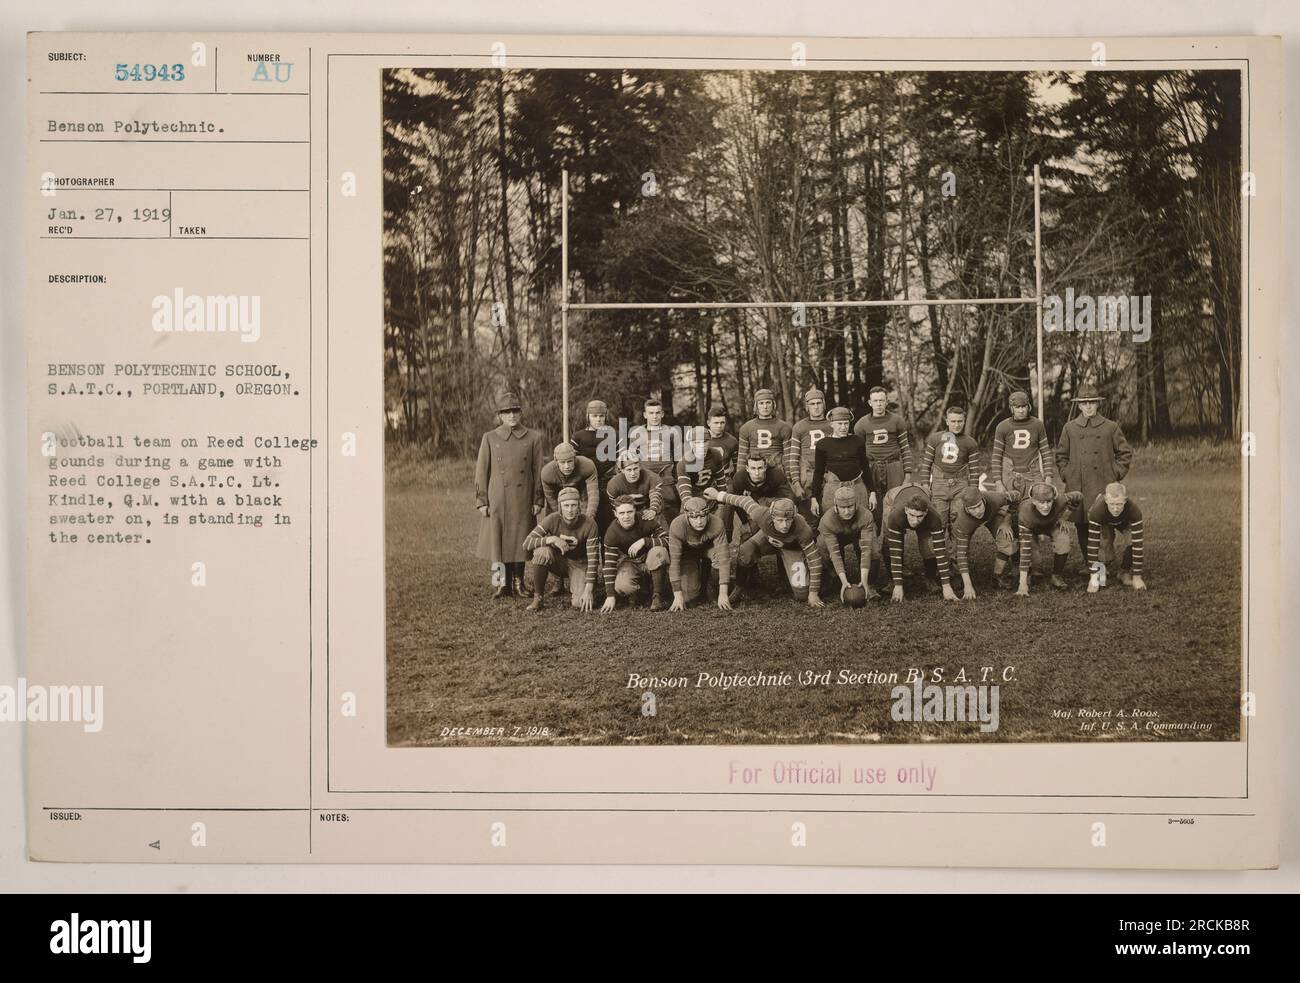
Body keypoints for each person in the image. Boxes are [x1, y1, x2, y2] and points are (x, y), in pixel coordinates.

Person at [474, 391, 545, 599]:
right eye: (506, 412)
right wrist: (481, 500)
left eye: (515, 411)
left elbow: (538, 470)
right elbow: (481, 471)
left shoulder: (534, 437)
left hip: (523, 498)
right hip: (498, 498)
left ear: (520, 413)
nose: (511, 415)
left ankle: (518, 583)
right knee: (498, 540)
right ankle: (500, 584)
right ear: (500, 415)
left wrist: (537, 499)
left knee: (521, 539)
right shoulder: (489, 437)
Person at [706, 488, 823, 607]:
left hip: (792, 547)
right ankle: (739, 587)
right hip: (767, 538)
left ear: (794, 517)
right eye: (780, 520)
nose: (784, 525)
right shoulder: (761, 514)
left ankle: (821, 578)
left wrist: (813, 593)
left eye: (788, 520)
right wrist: (718, 495)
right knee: (746, 551)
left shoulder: (803, 528)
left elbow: (815, 559)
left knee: (802, 595)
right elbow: (743, 500)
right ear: (772, 517)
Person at [1056, 384, 1133, 553]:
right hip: (1079, 484)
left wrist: (1115, 473)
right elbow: (1061, 455)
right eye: (1084, 403)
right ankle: (1089, 564)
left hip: (1103, 483)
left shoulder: (1110, 427)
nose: (1088, 406)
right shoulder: (1070, 428)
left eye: (1092, 402)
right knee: (1082, 525)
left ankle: (1104, 559)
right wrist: (1067, 474)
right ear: (1079, 405)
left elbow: (1125, 452)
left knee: (1104, 524)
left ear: (1098, 404)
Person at [521, 487, 601, 612]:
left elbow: (593, 559)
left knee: (580, 603)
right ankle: (538, 598)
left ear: (579, 506)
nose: (570, 510)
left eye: (574, 505)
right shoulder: (552, 519)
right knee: (542, 551)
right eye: (566, 505)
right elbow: (527, 543)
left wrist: (588, 590)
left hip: (580, 563)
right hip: (560, 560)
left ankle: (589, 584)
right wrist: (551, 539)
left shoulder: (589, 524)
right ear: (560, 506)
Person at [881, 486, 956, 602]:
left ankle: (930, 578)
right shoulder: (895, 516)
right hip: (894, 495)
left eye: (919, 516)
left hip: (923, 491)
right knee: (888, 542)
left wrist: (946, 586)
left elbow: (940, 550)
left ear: (926, 512)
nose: (915, 521)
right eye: (912, 515)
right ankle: (892, 581)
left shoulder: (934, 517)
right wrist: (898, 585)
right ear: (906, 510)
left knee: (929, 547)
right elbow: (895, 550)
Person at [917, 405, 981, 533]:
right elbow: (926, 464)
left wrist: (972, 491)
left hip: (960, 484)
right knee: (939, 520)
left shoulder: (970, 442)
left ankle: (957, 551)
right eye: (953, 421)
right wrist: (925, 484)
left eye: (959, 421)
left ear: (964, 421)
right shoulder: (935, 438)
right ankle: (940, 551)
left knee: (959, 520)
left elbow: (974, 470)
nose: (956, 425)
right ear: (947, 421)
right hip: (939, 484)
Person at [601, 496, 671, 612]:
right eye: (622, 513)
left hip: (649, 557)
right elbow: (609, 564)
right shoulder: (612, 532)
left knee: (659, 552)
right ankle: (642, 589)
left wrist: (645, 541)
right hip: (630, 561)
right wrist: (610, 596)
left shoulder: (645, 520)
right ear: (615, 513)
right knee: (622, 587)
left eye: (629, 512)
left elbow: (668, 540)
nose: (626, 516)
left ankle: (658, 595)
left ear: (635, 511)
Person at [1014, 481, 1085, 595]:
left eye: (1049, 501)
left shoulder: (1061, 500)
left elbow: (1078, 496)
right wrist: (1022, 584)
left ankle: (1056, 575)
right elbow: (1025, 549)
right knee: (1034, 556)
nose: (1046, 506)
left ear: (1054, 499)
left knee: (1064, 540)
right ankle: (1030, 573)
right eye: (1041, 502)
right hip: (1031, 527)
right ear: (1033, 501)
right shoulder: (1025, 513)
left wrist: (1063, 518)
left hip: (1051, 524)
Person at [666, 496, 734, 611]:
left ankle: (712, 586)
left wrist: (723, 593)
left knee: (718, 556)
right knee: (689, 596)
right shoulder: (677, 525)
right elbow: (674, 562)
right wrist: (677, 595)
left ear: (708, 515)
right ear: (687, 517)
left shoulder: (717, 523)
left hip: (707, 550)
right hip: (687, 554)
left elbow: (724, 558)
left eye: (702, 516)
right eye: (694, 517)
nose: (699, 521)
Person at [950, 485, 1019, 599]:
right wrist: (968, 586)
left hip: (992, 515)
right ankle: (957, 575)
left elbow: (1017, 496)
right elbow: (962, 554)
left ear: (983, 499)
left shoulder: (994, 498)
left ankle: (997, 576)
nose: (977, 511)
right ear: (966, 508)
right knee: (958, 551)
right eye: (972, 508)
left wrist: (1006, 521)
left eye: (979, 506)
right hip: (967, 523)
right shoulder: (962, 521)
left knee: (1007, 539)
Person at [809, 406, 877, 519]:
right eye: (839, 424)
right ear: (831, 424)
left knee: (860, 520)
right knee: (832, 521)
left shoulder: (857, 441)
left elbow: (865, 467)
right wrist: (814, 498)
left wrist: (872, 492)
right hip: (833, 488)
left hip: (856, 487)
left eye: (846, 423)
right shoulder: (823, 444)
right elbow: (818, 472)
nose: (843, 427)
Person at [854, 385, 914, 503]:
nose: (879, 404)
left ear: (887, 402)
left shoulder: (897, 421)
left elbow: (905, 448)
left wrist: (907, 474)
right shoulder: (861, 424)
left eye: (881, 400)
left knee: (896, 501)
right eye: (875, 401)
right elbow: (857, 453)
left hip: (893, 466)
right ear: (870, 403)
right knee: (872, 502)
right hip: (871, 466)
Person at [817, 483, 875, 600]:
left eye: (850, 507)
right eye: (842, 508)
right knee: (822, 546)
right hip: (837, 536)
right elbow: (834, 553)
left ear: (856, 504)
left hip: (857, 534)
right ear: (836, 506)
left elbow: (866, 549)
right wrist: (844, 581)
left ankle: (869, 583)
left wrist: (864, 580)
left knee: (874, 549)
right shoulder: (827, 520)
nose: (847, 511)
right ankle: (835, 579)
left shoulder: (866, 515)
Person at [1085, 482, 1147, 592]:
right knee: (1104, 545)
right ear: (1105, 500)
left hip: (1124, 521)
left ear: (1125, 500)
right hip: (1105, 520)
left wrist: (1137, 577)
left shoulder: (1134, 511)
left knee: (1133, 541)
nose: (1115, 508)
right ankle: (1100, 572)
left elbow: (1138, 544)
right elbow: (1092, 544)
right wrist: (1093, 578)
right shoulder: (1096, 511)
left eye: (1119, 504)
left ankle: (1124, 572)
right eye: (1112, 504)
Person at [992, 390, 1056, 490]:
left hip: (1033, 474)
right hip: (1009, 476)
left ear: (1028, 407)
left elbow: (1046, 453)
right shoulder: (1002, 427)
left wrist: (1048, 476)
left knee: (1040, 501)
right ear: (1011, 408)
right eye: (1017, 407)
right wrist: (998, 482)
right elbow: (996, 457)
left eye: (1024, 406)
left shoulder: (1037, 425)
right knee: (1008, 503)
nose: (1021, 410)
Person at [570, 398, 618, 533]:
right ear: (588, 416)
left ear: (606, 417)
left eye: (601, 416)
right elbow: (572, 461)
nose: (598, 419)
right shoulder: (578, 436)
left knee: (609, 519)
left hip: (608, 483)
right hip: (585, 485)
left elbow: (621, 460)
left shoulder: (614, 435)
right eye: (594, 416)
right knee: (588, 518)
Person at [787, 388, 829, 525]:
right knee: (809, 516)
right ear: (807, 406)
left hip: (829, 472)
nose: (816, 407)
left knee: (829, 512)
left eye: (819, 403)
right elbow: (793, 458)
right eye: (812, 404)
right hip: (808, 473)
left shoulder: (833, 424)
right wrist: (796, 483)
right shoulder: (799, 427)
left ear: (824, 404)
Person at [736, 388, 793, 472]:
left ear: (773, 404)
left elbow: (788, 456)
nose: (765, 406)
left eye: (768, 403)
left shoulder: (784, 427)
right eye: (761, 403)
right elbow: (742, 457)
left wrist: (788, 475)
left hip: (777, 468)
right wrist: (740, 477)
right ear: (756, 406)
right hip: (755, 469)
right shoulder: (746, 428)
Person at [540, 443, 599, 520]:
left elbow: (593, 494)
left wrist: (589, 518)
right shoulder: (547, 473)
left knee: (586, 520)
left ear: (575, 458)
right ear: (556, 461)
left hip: (582, 494)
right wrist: (564, 517)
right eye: (562, 462)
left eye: (570, 461)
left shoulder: (587, 465)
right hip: (559, 496)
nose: (567, 466)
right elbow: (552, 499)